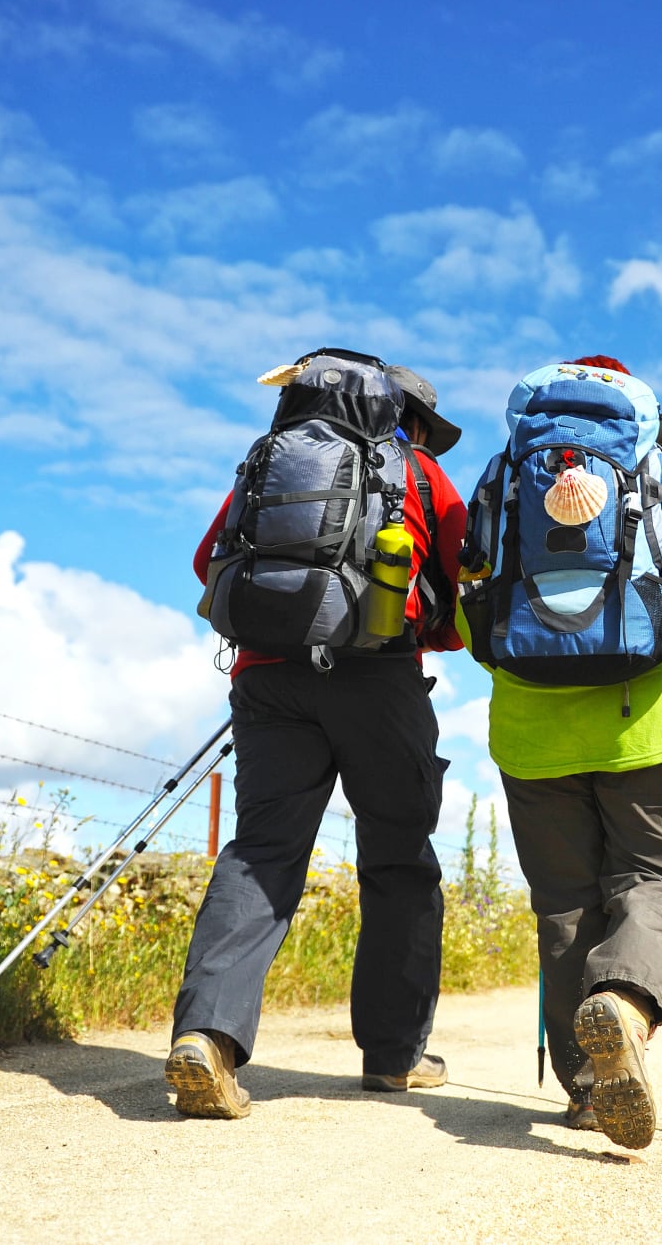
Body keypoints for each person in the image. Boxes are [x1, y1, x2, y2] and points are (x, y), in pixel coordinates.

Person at [464, 356, 662, 1150]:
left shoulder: (509, 484)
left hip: (530, 737)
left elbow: (474, 619)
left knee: (564, 902)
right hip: (652, 730)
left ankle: (587, 1089)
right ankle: (625, 1004)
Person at [164, 356, 468, 1119]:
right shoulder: (422, 475)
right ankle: (396, 1058)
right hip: (379, 682)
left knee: (261, 851)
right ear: (412, 421)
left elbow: (209, 562)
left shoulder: (272, 462)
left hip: (267, 680)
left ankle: (207, 1036)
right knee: (399, 858)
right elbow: (458, 598)